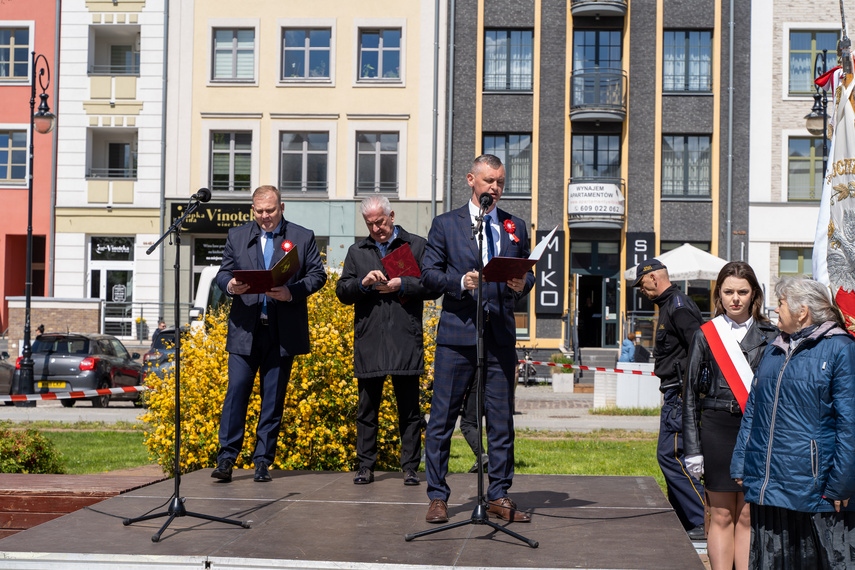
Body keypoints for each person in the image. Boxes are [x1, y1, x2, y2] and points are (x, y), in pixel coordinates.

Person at [421, 154, 535, 524]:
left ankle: (499, 494)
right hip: (457, 335)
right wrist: (460, 282)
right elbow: (428, 275)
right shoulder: (445, 224)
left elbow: (526, 274)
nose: (495, 189)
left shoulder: (514, 225)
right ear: (471, 180)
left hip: (499, 334)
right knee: (442, 419)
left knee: (501, 420)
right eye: (489, 181)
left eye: (500, 182)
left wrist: (523, 283)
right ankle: (438, 496)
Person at [731, 276, 855, 568]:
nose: (775, 309)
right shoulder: (774, 348)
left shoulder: (840, 349)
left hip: (815, 490)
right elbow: (754, 411)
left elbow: (850, 424)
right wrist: (741, 461)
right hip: (770, 486)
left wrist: (841, 483)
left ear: (803, 311)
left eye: (782, 303)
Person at [211, 185, 326, 483]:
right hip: (244, 331)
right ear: (253, 210)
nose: (265, 217)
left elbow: (318, 276)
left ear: (282, 207)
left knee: (272, 399)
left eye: (271, 210)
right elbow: (223, 273)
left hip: (281, 332)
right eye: (260, 211)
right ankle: (226, 458)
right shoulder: (237, 236)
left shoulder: (302, 236)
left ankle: (263, 460)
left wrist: (292, 291)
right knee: (236, 393)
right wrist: (229, 286)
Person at [335, 195, 438, 486]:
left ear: (392, 215)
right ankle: (365, 466)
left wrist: (401, 284)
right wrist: (363, 284)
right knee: (367, 409)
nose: (376, 228)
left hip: (405, 336)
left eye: (380, 222)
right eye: (370, 224)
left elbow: (433, 285)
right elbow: (342, 292)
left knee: (409, 410)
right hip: (370, 339)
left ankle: (410, 468)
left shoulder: (415, 245)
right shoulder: (358, 251)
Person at [683, 262, 778, 570]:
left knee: (749, 514)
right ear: (718, 295)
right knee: (722, 513)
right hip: (717, 429)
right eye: (728, 292)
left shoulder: (772, 335)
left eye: (742, 292)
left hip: (757, 431)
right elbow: (689, 396)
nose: (735, 299)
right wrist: (692, 447)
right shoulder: (706, 334)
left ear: (754, 295)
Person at [632, 258, 706, 539]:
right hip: (674, 392)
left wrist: (688, 392)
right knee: (675, 456)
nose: (642, 290)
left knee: (672, 457)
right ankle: (686, 519)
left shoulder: (678, 306)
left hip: (681, 394)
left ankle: (702, 519)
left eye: (642, 284)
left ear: (654, 278)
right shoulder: (669, 305)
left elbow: (700, 349)